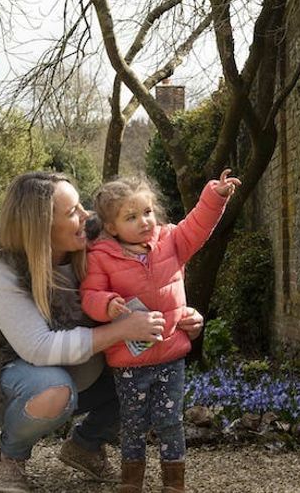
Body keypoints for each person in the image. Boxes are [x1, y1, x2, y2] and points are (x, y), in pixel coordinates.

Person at [0, 171, 205, 493]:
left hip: (82, 367)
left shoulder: (99, 240)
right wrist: (121, 330)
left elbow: (149, 279)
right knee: (54, 390)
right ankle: (11, 457)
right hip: (7, 375)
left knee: (144, 376)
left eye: (81, 206)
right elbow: (37, 348)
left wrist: (180, 319)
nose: (86, 216)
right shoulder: (4, 267)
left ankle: (86, 444)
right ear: (42, 228)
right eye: (72, 212)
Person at [81, 169, 240, 493]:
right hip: (129, 363)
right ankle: (131, 482)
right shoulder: (101, 256)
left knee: (171, 423)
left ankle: (174, 483)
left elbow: (197, 226)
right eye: (132, 216)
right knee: (134, 424)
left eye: (148, 212)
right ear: (111, 227)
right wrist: (107, 304)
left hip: (170, 358)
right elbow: (90, 295)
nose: (144, 221)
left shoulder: (171, 241)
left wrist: (215, 194)